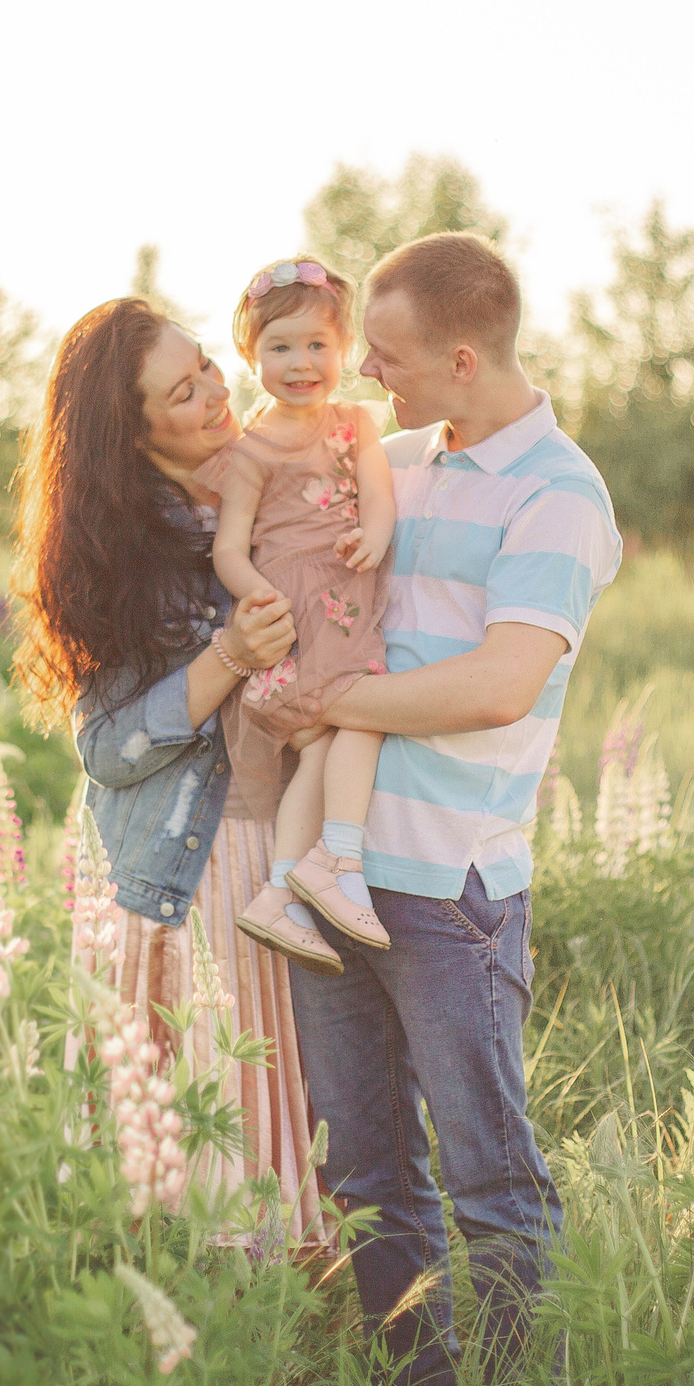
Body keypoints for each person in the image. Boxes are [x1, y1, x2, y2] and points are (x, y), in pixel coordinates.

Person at [289, 232, 623, 1386]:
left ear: (464, 359)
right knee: (367, 1173)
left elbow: (498, 684)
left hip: (450, 891)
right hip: (334, 875)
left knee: (488, 1180)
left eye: (387, 356)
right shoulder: (392, 461)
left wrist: (331, 700)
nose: (367, 374)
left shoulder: (559, 497)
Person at [10, 295, 330, 1245]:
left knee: (297, 1122)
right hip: (191, 870)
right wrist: (229, 655)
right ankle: (189, 1310)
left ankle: (291, 1322)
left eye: (206, 368)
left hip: (290, 852)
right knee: (196, 1138)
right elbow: (108, 749)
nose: (215, 393)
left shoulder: (274, 484)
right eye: (182, 392)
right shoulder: (119, 549)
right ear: (132, 430)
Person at [196, 256, 394, 973]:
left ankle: (282, 889)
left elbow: (379, 498)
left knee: (319, 744)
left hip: (346, 592)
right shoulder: (251, 449)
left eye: (317, 345)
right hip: (295, 612)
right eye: (280, 347)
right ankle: (338, 857)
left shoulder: (356, 423)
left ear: (345, 350)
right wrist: (258, 594)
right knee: (363, 716)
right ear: (251, 357)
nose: (301, 362)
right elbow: (228, 547)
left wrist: (373, 537)